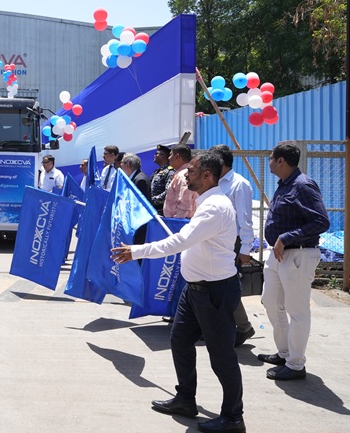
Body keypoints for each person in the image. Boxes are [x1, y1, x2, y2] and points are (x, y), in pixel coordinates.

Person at [111, 151, 244, 433]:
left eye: (191, 171)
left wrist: (137, 251)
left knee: (222, 357)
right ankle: (185, 399)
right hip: (195, 290)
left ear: (207, 176)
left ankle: (233, 418)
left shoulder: (214, 207)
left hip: (214, 291)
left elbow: (180, 242)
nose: (185, 175)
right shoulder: (206, 200)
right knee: (180, 340)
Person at [257, 141, 329, 381]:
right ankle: (285, 353)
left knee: (297, 311)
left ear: (281, 161)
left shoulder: (303, 185)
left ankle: (296, 365)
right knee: (270, 302)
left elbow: (321, 221)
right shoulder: (284, 184)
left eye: (271, 158)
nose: (269, 162)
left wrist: (286, 238)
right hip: (278, 255)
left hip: (298, 254)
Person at [210, 145, 256, 347]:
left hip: (231, 243)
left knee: (227, 286)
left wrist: (245, 249)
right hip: (214, 241)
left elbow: (245, 220)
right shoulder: (214, 182)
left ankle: (243, 326)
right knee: (212, 284)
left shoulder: (239, 184)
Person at [164, 144, 198, 219]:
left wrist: (176, 222)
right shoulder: (184, 173)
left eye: (170, 155)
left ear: (177, 156)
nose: (168, 158)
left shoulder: (183, 175)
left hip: (179, 222)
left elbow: (185, 205)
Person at [150, 145, 175, 214]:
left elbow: (168, 193)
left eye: (157, 154)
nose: (154, 155)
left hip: (162, 211)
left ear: (162, 156)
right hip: (154, 209)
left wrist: (152, 200)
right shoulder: (157, 171)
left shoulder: (170, 172)